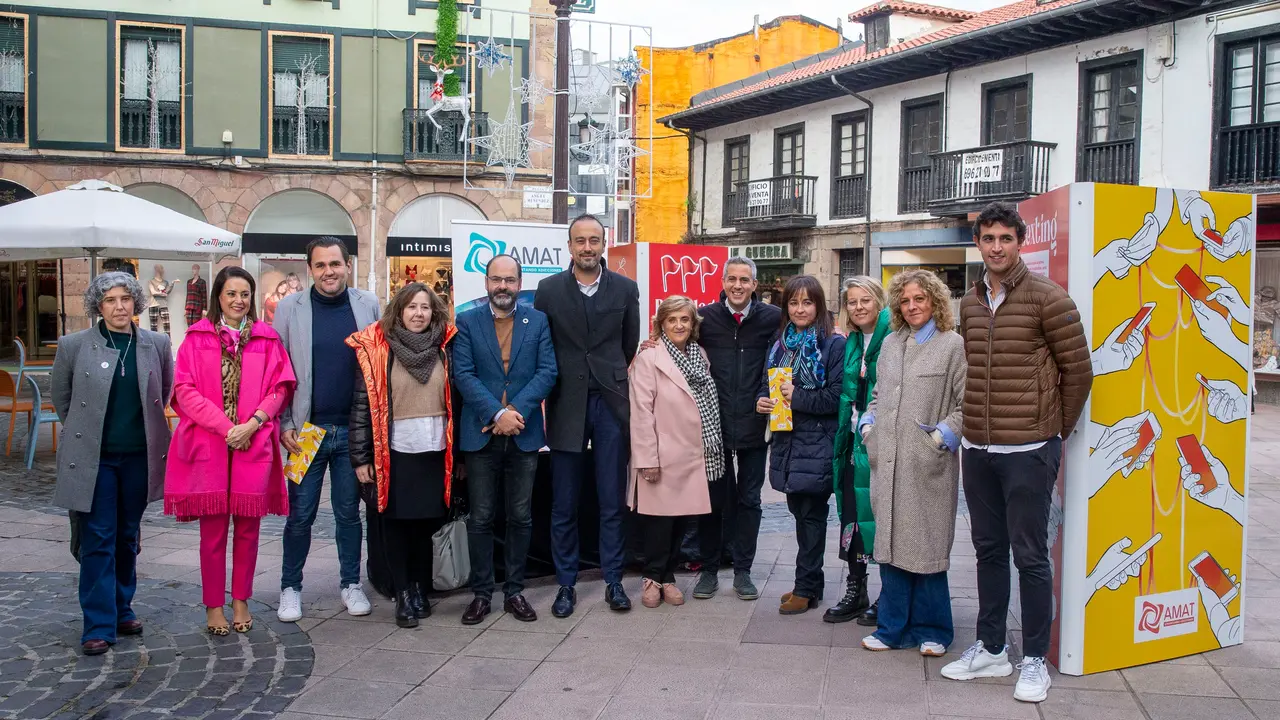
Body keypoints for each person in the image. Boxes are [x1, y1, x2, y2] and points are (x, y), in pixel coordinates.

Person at [941, 202, 1092, 704]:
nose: (997, 247)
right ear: (978, 243)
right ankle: (990, 648)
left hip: (1028, 450)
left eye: (1006, 238)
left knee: (1030, 556)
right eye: (988, 238)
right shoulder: (970, 302)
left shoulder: (1049, 298)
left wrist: (1053, 433)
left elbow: (1079, 372)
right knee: (987, 552)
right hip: (979, 449)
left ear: (1020, 241)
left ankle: (1032, 658)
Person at [164, 267, 296, 636]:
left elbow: (281, 388)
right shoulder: (196, 338)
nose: (239, 301)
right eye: (231, 294)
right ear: (218, 297)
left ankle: (241, 598)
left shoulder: (267, 339)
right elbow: (185, 392)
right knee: (214, 532)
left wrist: (252, 423)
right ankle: (213, 604)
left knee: (249, 530)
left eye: (244, 294)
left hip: (253, 442)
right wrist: (227, 428)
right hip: (210, 444)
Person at [51, 272, 173, 655]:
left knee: (126, 535)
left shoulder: (156, 343)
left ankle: (122, 607)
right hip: (94, 459)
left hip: (138, 456)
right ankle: (98, 625)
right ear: (97, 306)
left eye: (125, 299)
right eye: (110, 300)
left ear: (136, 302)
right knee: (98, 538)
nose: (119, 307)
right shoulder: (74, 346)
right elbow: (63, 399)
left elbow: (164, 391)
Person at [534, 214, 640, 617]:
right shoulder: (548, 290)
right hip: (566, 402)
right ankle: (565, 585)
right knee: (564, 502)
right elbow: (543, 345)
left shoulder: (626, 289)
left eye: (594, 240)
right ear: (570, 245)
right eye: (580, 240)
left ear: (603, 244)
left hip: (611, 402)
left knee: (611, 499)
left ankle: (613, 580)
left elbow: (627, 345)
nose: (588, 247)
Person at [857, 270, 966, 655]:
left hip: (927, 464)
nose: (912, 306)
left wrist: (940, 439)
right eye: (905, 300)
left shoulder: (952, 344)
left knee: (927, 544)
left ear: (934, 300)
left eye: (919, 298)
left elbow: (965, 404)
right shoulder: (890, 343)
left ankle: (934, 629)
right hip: (887, 459)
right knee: (890, 543)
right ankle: (891, 629)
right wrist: (868, 425)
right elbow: (878, 395)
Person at [273, 237, 382, 623]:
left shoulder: (367, 304)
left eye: (335, 264)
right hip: (305, 432)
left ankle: (350, 584)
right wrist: (282, 422)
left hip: (352, 432)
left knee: (349, 514)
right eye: (320, 265)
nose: (328, 272)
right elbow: (278, 371)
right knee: (299, 515)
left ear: (348, 265)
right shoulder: (289, 308)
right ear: (310, 269)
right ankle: (290, 587)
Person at [452, 254, 558, 625]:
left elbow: (548, 371)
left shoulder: (539, 321)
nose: (503, 286)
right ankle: (481, 594)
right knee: (480, 518)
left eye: (509, 280)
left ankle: (514, 591)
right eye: (496, 279)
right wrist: (496, 415)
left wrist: (515, 413)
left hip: (524, 434)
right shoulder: (465, 322)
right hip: (480, 434)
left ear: (519, 283)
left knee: (521, 516)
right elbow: (462, 375)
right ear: (485, 283)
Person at [347, 283, 456, 628]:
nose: (419, 314)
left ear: (434, 312)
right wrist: (361, 458)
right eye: (411, 307)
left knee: (426, 524)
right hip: (393, 452)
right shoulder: (380, 351)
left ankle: (421, 588)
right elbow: (362, 407)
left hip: (435, 451)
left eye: (425, 307)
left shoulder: (446, 348)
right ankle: (402, 594)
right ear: (399, 310)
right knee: (396, 525)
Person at [689, 257, 782, 602]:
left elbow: (782, 357)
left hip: (755, 425)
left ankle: (743, 571)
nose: (738, 285)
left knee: (749, 500)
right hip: (714, 426)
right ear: (723, 282)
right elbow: (677, 336)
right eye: (732, 279)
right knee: (713, 501)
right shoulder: (705, 317)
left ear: (755, 285)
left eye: (745, 280)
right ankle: (709, 570)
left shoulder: (772, 318)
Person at [756, 275, 846, 615]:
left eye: (807, 302)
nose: (800, 309)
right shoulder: (781, 343)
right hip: (787, 440)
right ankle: (811, 584)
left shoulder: (831, 345)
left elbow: (836, 397)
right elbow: (768, 385)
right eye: (794, 302)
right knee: (800, 513)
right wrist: (762, 400)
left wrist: (799, 397)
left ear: (819, 306)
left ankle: (806, 587)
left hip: (817, 442)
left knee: (811, 516)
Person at [630, 296, 719, 608]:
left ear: (693, 324)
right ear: (661, 324)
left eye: (685, 319)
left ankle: (668, 577)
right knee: (658, 522)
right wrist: (647, 459)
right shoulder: (649, 358)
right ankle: (652, 577)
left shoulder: (700, 355)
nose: (679, 325)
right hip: (662, 453)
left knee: (682, 520)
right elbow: (641, 412)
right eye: (672, 320)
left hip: (693, 454)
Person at [826, 276, 891, 626]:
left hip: (882, 444)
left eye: (865, 300)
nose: (858, 307)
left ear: (879, 302)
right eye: (851, 302)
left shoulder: (894, 338)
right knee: (851, 514)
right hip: (853, 442)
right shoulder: (851, 341)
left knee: (882, 519)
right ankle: (856, 588)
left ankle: (888, 595)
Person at [148, 265, 173, 336]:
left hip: (163, 305)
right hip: (153, 305)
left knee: (167, 327)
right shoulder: (151, 281)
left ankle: (168, 344)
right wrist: (162, 294)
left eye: (162, 268)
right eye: (161, 268)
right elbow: (153, 292)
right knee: (153, 328)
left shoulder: (165, 282)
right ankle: (155, 344)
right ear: (156, 269)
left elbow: (167, 292)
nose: (163, 270)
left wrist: (172, 284)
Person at [185, 264, 208, 328]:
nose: (193, 270)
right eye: (193, 269)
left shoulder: (202, 282)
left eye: (195, 269)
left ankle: (196, 338)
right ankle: (189, 338)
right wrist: (185, 307)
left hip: (197, 307)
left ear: (198, 270)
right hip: (189, 307)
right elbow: (188, 295)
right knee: (189, 326)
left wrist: (204, 309)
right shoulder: (189, 282)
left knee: (196, 325)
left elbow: (204, 296)